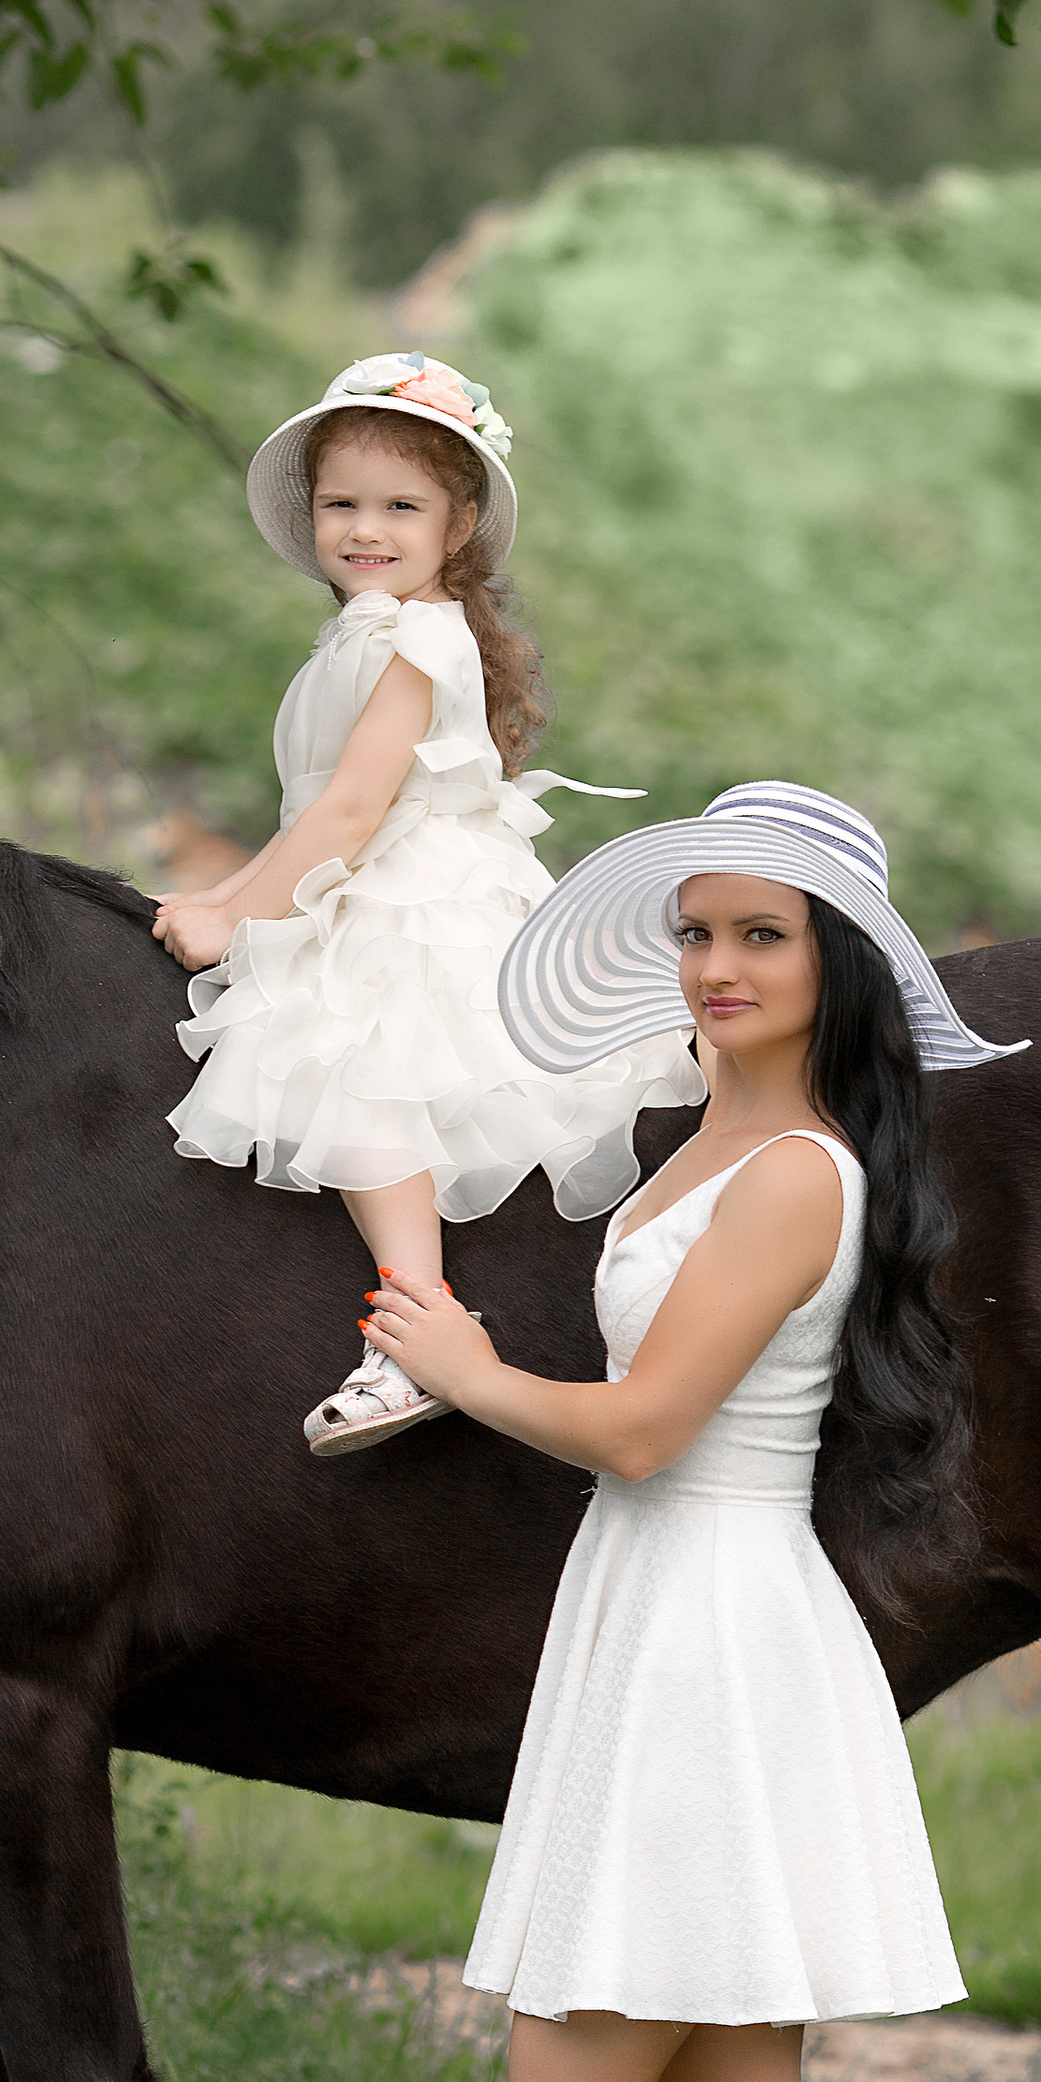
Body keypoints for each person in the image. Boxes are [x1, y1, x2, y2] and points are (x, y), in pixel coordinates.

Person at [361, 782, 1028, 2082]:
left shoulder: (804, 1168)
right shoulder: (696, 1145)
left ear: (839, 974)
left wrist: (472, 1370)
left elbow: (649, 1430)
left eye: (763, 936)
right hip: (664, 1621)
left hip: (708, 1636)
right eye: (699, 930)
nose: (717, 966)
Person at [155, 352, 699, 1456]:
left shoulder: (416, 633)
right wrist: (222, 889)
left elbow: (353, 809)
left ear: (456, 529)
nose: (365, 528)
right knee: (320, 1024)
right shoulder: (364, 627)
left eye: (399, 507)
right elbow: (315, 809)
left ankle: (415, 1329)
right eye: (340, 504)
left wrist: (240, 918)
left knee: (357, 1057)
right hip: (363, 864)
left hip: (417, 888)